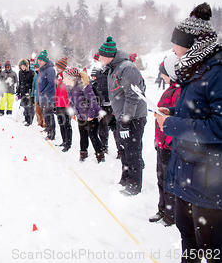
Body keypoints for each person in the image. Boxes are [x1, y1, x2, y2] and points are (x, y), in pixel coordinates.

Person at [155, 3, 222, 259]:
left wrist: (172, 125)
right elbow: (198, 113)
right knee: (188, 238)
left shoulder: (216, 73)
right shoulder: (194, 71)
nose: (173, 49)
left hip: (209, 182)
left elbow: (218, 126)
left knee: (212, 249)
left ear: (193, 46)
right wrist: (174, 114)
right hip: (188, 173)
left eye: (176, 44)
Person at [98, 36, 147, 196]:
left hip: (133, 117)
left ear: (109, 55)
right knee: (124, 150)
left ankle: (134, 185)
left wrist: (126, 120)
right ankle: (125, 178)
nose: (99, 58)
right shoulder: (113, 68)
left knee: (132, 151)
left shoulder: (127, 68)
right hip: (122, 116)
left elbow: (133, 96)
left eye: (101, 56)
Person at [149, 54, 180, 227]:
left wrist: (167, 142)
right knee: (160, 179)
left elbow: (175, 120)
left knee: (170, 182)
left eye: (163, 73)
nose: (161, 76)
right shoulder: (170, 90)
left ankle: (171, 214)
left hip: (169, 145)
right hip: (162, 143)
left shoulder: (179, 91)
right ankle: (162, 209)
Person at [64, 67, 105, 163]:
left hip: (92, 114)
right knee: (83, 135)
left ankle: (100, 155)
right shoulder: (69, 87)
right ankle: (83, 154)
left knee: (93, 135)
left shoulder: (84, 85)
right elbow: (71, 101)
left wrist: (91, 114)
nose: (63, 80)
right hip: (80, 115)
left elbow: (93, 100)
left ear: (71, 78)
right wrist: (73, 113)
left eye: (65, 78)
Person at [37, 50, 56, 140]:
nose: (39, 62)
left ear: (45, 60)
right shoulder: (42, 69)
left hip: (48, 98)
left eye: (41, 60)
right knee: (46, 116)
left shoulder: (50, 70)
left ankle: (52, 134)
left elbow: (51, 84)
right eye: (38, 60)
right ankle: (49, 132)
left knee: (49, 116)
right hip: (42, 98)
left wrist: (43, 92)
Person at [54, 57, 72, 152]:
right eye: (56, 67)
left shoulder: (67, 76)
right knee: (61, 123)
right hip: (58, 103)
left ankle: (68, 143)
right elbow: (56, 90)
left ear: (63, 68)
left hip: (66, 104)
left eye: (58, 67)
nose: (56, 69)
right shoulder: (57, 76)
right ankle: (64, 141)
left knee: (67, 124)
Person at [17, 58, 34, 125]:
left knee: (29, 106)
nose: (23, 67)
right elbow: (20, 82)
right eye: (22, 66)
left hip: (29, 91)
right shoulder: (20, 72)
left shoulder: (31, 72)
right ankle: (26, 118)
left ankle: (30, 120)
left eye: (24, 66)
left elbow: (32, 82)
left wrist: (28, 85)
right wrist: (18, 91)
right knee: (24, 106)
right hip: (23, 91)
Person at [32, 62, 45, 129]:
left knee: (43, 111)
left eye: (37, 67)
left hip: (42, 96)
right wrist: (32, 95)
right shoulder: (35, 75)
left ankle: (44, 124)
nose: (36, 69)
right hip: (36, 96)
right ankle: (39, 123)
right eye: (35, 68)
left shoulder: (43, 74)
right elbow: (33, 86)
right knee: (37, 111)